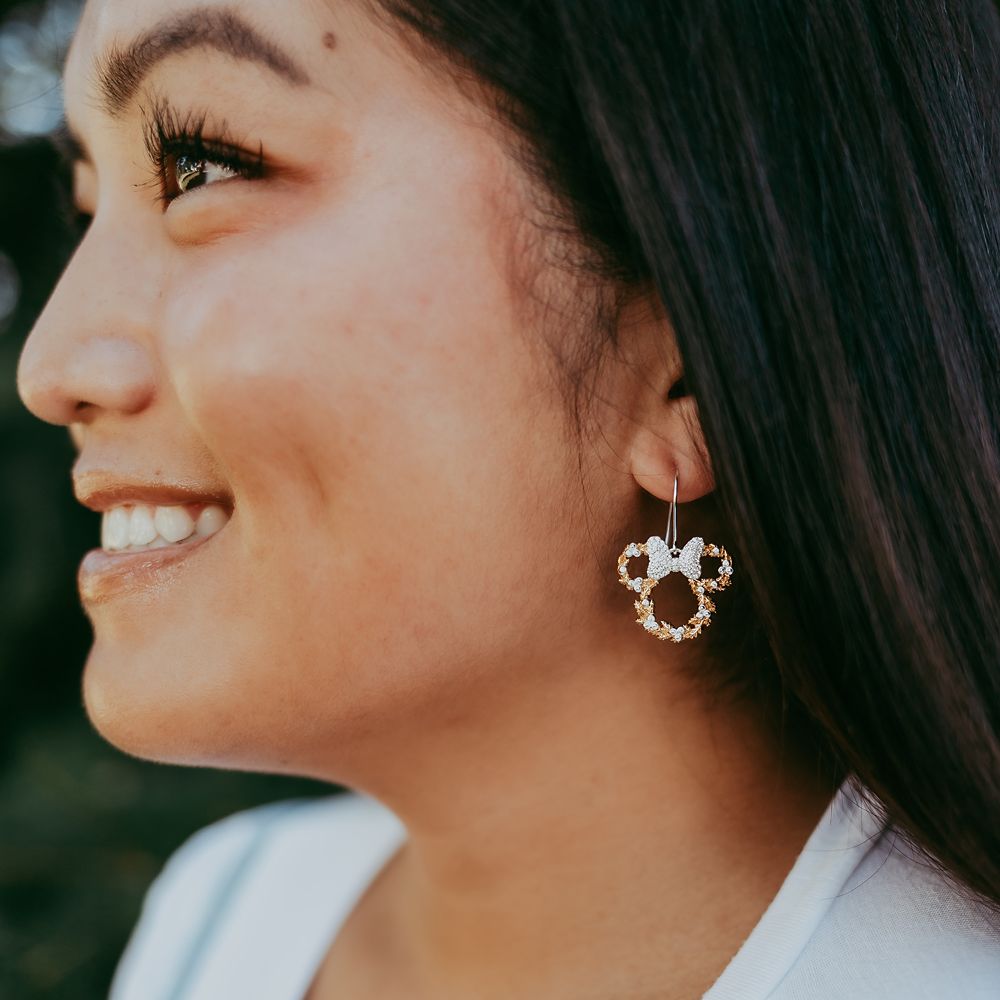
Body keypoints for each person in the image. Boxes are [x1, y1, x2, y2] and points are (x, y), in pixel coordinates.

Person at [15, 0, 1000, 997]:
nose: (49, 367)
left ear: (688, 364)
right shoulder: (235, 909)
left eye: (204, 168)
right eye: (89, 207)